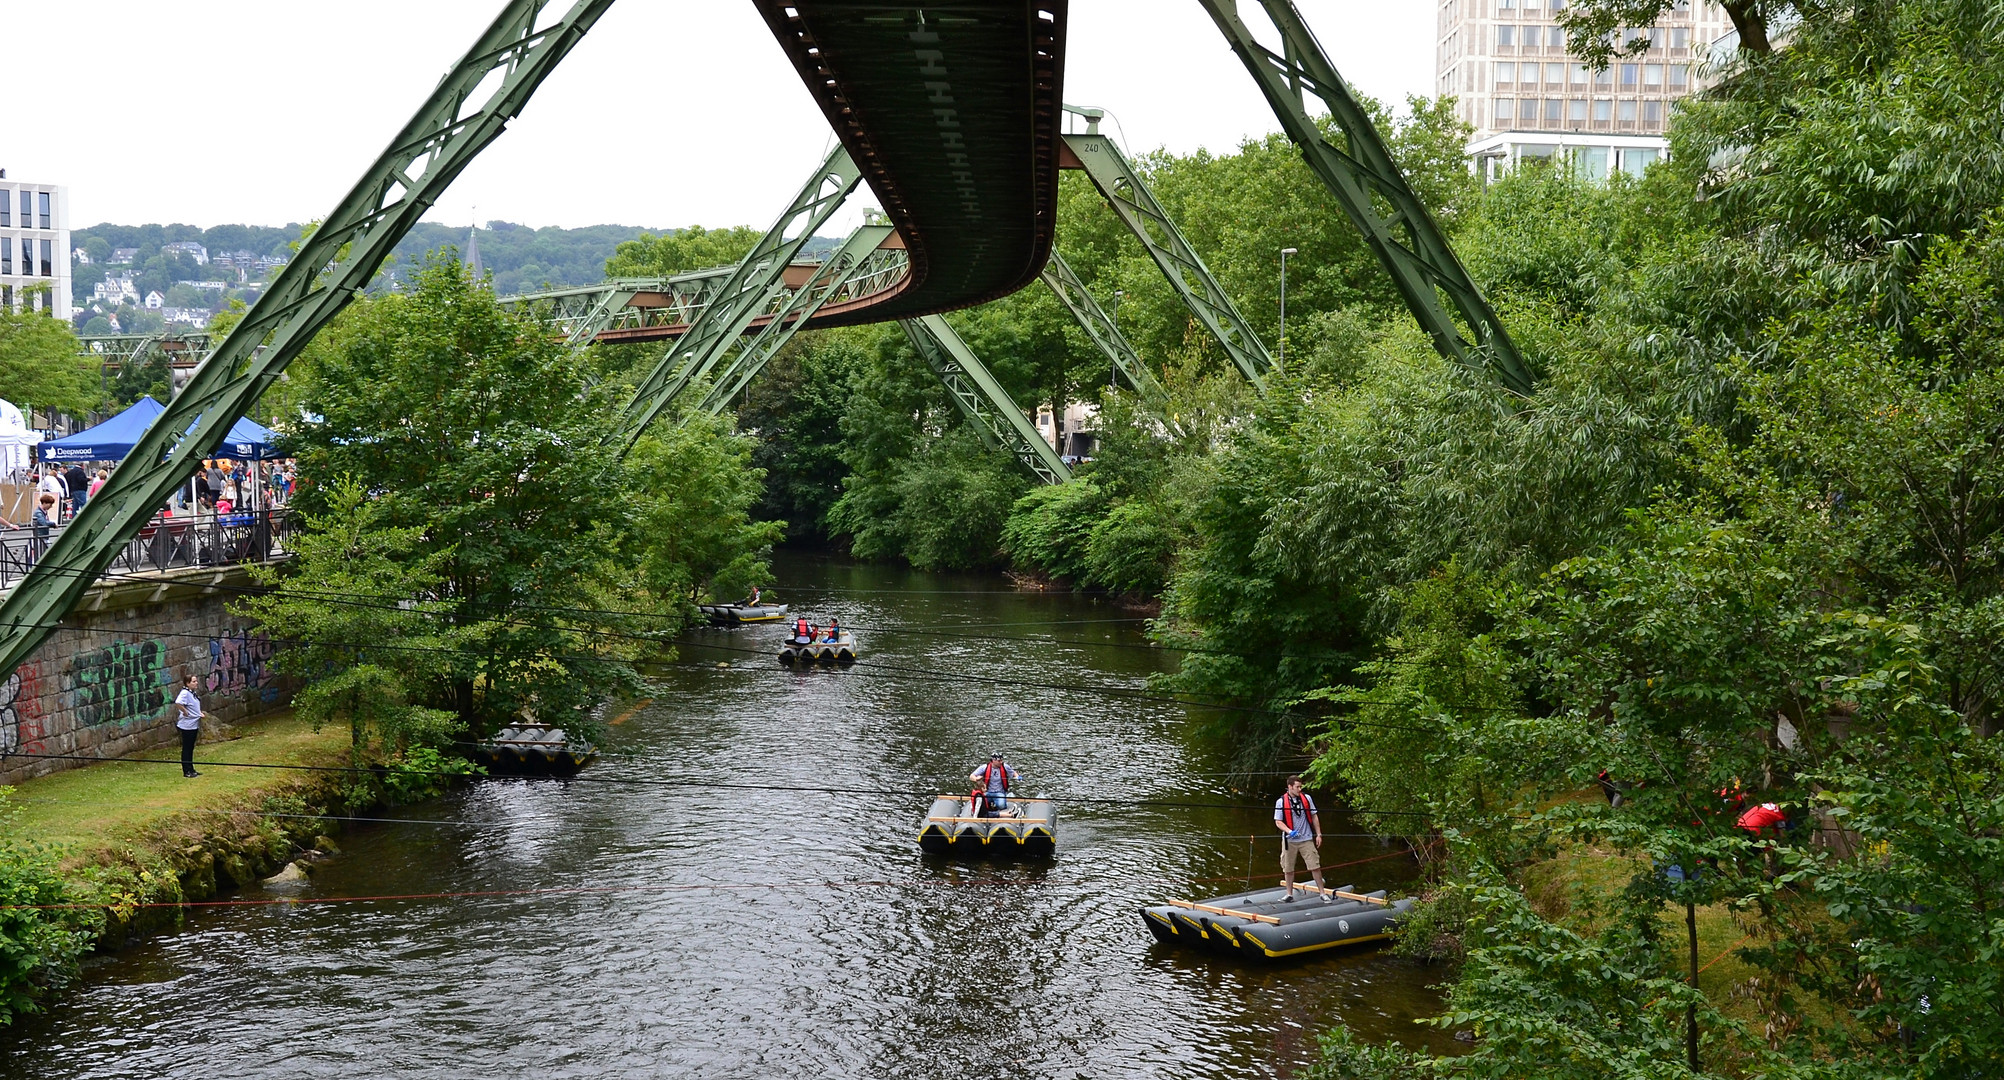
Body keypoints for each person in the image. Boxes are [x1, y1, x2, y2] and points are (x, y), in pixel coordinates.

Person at [1275, 775, 1329, 902]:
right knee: (1288, 868)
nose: (1299, 789)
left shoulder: (1307, 799)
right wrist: (1289, 831)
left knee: (1315, 865)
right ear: (1290, 787)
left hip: (1306, 839)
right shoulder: (1281, 801)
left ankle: (1322, 892)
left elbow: (1314, 816)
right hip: (1290, 841)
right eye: (1297, 787)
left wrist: (1319, 834)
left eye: (1301, 787)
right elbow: (1278, 821)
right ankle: (1289, 894)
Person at [969, 753, 1020, 818]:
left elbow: (1013, 773)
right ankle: (993, 810)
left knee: (1001, 805)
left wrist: (1017, 777)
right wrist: (976, 779)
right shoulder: (984, 767)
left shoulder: (1005, 766)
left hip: (999, 792)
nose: (1001, 762)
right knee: (983, 805)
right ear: (993, 761)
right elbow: (971, 776)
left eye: (1001, 760)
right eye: (999, 761)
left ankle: (998, 810)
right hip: (987, 792)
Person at [174, 674, 204, 778]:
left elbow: (194, 706)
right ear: (187, 683)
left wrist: (199, 713)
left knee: (191, 748)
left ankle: (191, 769)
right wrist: (185, 711)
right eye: (193, 681)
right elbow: (178, 702)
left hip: (194, 724)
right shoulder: (185, 693)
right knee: (187, 748)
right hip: (187, 725)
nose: (196, 683)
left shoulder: (192, 693)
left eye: (196, 681)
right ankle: (186, 771)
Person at [29, 493, 56, 564]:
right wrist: (53, 524)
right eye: (50, 504)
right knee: (39, 555)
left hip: (42, 536)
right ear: (44, 503)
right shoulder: (38, 513)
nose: (51, 506)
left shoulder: (43, 512)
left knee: (44, 553)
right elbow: (44, 522)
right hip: (39, 537)